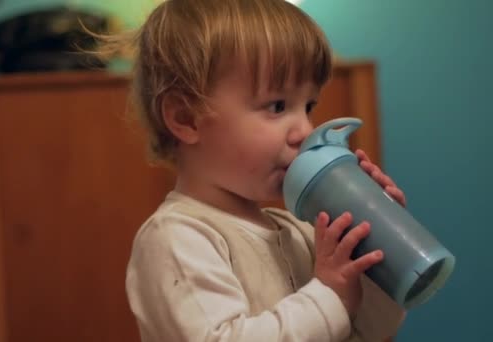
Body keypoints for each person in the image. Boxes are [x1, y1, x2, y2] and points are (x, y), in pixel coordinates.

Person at [97, 0, 407, 340]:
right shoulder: (176, 239)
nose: (304, 130)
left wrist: (375, 260)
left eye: (308, 106)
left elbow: (365, 333)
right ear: (186, 118)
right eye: (277, 106)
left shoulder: (300, 233)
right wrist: (329, 293)